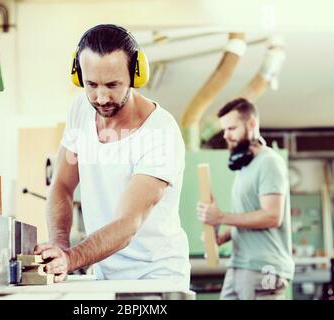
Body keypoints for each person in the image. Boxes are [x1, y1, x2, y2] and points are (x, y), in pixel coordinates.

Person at [34, 24, 190, 288]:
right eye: (91, 84)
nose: (101, 97)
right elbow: (61, 185)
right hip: (105, 273)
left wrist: (72, 257)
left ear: (135, 75)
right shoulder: (80, 111)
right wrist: (59, 247)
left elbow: (128, 223)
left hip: (156, 277)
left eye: (113, 85)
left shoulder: (160, 133)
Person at [197, 98, 294, 299]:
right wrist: (222, 237)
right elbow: (249, 217)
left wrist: (220, 217)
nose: (226, 136)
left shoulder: (269, 162)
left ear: (251, 125)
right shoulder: (245, 166)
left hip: (262, 267)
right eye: (224, 130)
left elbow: (272, 216)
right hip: (240, 264)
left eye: (232, 128)